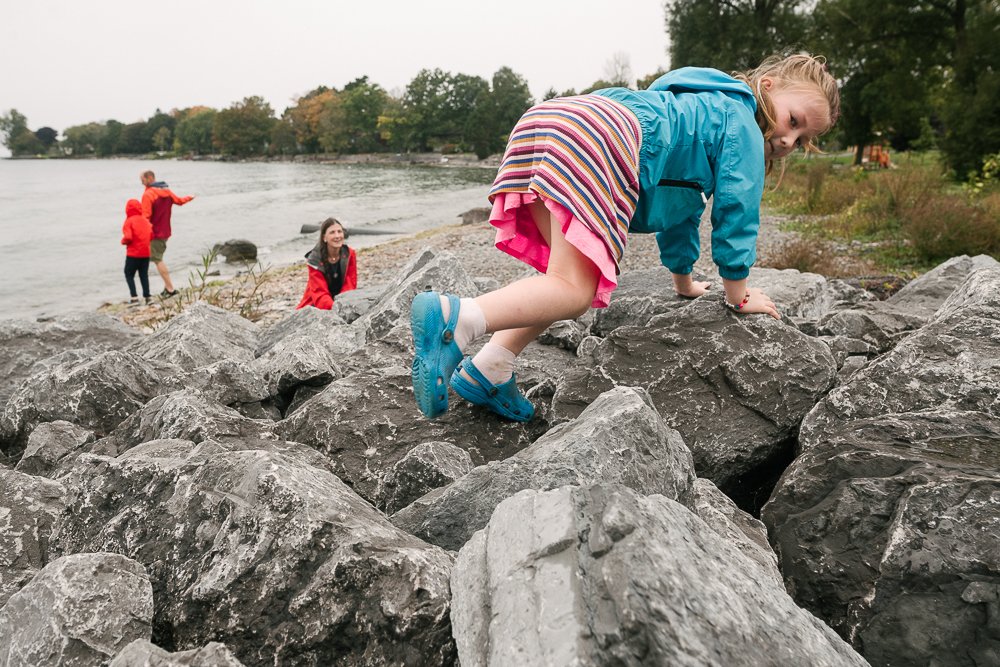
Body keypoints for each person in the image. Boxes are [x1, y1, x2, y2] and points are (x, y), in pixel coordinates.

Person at [410, 53, 840, 422]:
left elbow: (682, 210)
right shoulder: (741, 122)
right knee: (574, 290)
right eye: (794, 121)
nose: (788, 139)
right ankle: (457, 319)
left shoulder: (692, 106)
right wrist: (738, 294)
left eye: (803, 140)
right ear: (766, 87)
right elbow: (737, 212)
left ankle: (490, 368)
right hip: (597, 135)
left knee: (560, 276)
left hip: (551, 119)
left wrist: (683, 282)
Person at [140, 170, 194, 297]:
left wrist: (141, 233)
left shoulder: (148, 194)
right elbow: (180, 201)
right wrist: (190, 197)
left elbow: (146, 216)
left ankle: (170, 289)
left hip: (154, 233)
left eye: (142, 179)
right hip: (165, 231)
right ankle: (167, 287)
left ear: (149, 178)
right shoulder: (167, 191)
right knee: (158, 257)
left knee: (157, 259)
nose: (141, 182)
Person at [297, 217, 358, 310]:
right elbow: (319, 292)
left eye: (339, 231)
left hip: (341, 301)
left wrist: (343, 304)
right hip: (316, 303)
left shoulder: (350, 254)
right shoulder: (314, 259)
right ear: (324, 237)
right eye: (332, 232)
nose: (337, 236)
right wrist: (334, 308)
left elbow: (350, 284)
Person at [120, 198, 153, 305]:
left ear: (127, 209)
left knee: (128, 273)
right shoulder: (145, 220)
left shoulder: (129, 221)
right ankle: (148, 297)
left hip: (133, 253)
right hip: (145, 253)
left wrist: (123, 241)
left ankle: (134, 297)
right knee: (143, 275)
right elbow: (151, 235)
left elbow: (128, 237)